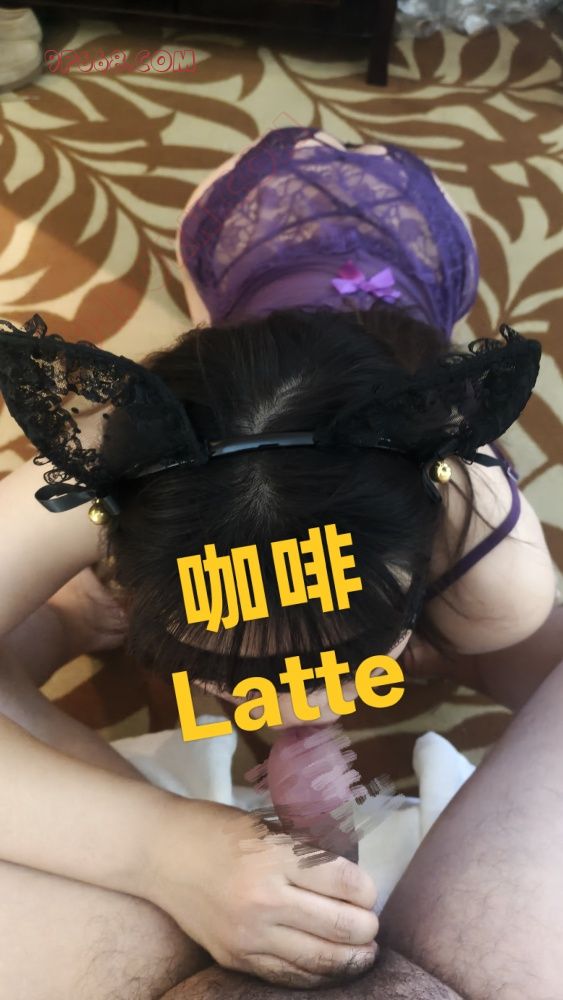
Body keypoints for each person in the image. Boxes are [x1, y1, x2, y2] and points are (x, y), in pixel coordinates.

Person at [0, 126, 558, 998]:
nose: (298, 705)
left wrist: (424, 645)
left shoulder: (493, 570)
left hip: (407, 292)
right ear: (116, 537)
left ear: (426, 561)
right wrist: (155, 847)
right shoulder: (103, 454)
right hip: (239, 269)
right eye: (229, 664)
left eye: (347, 652)